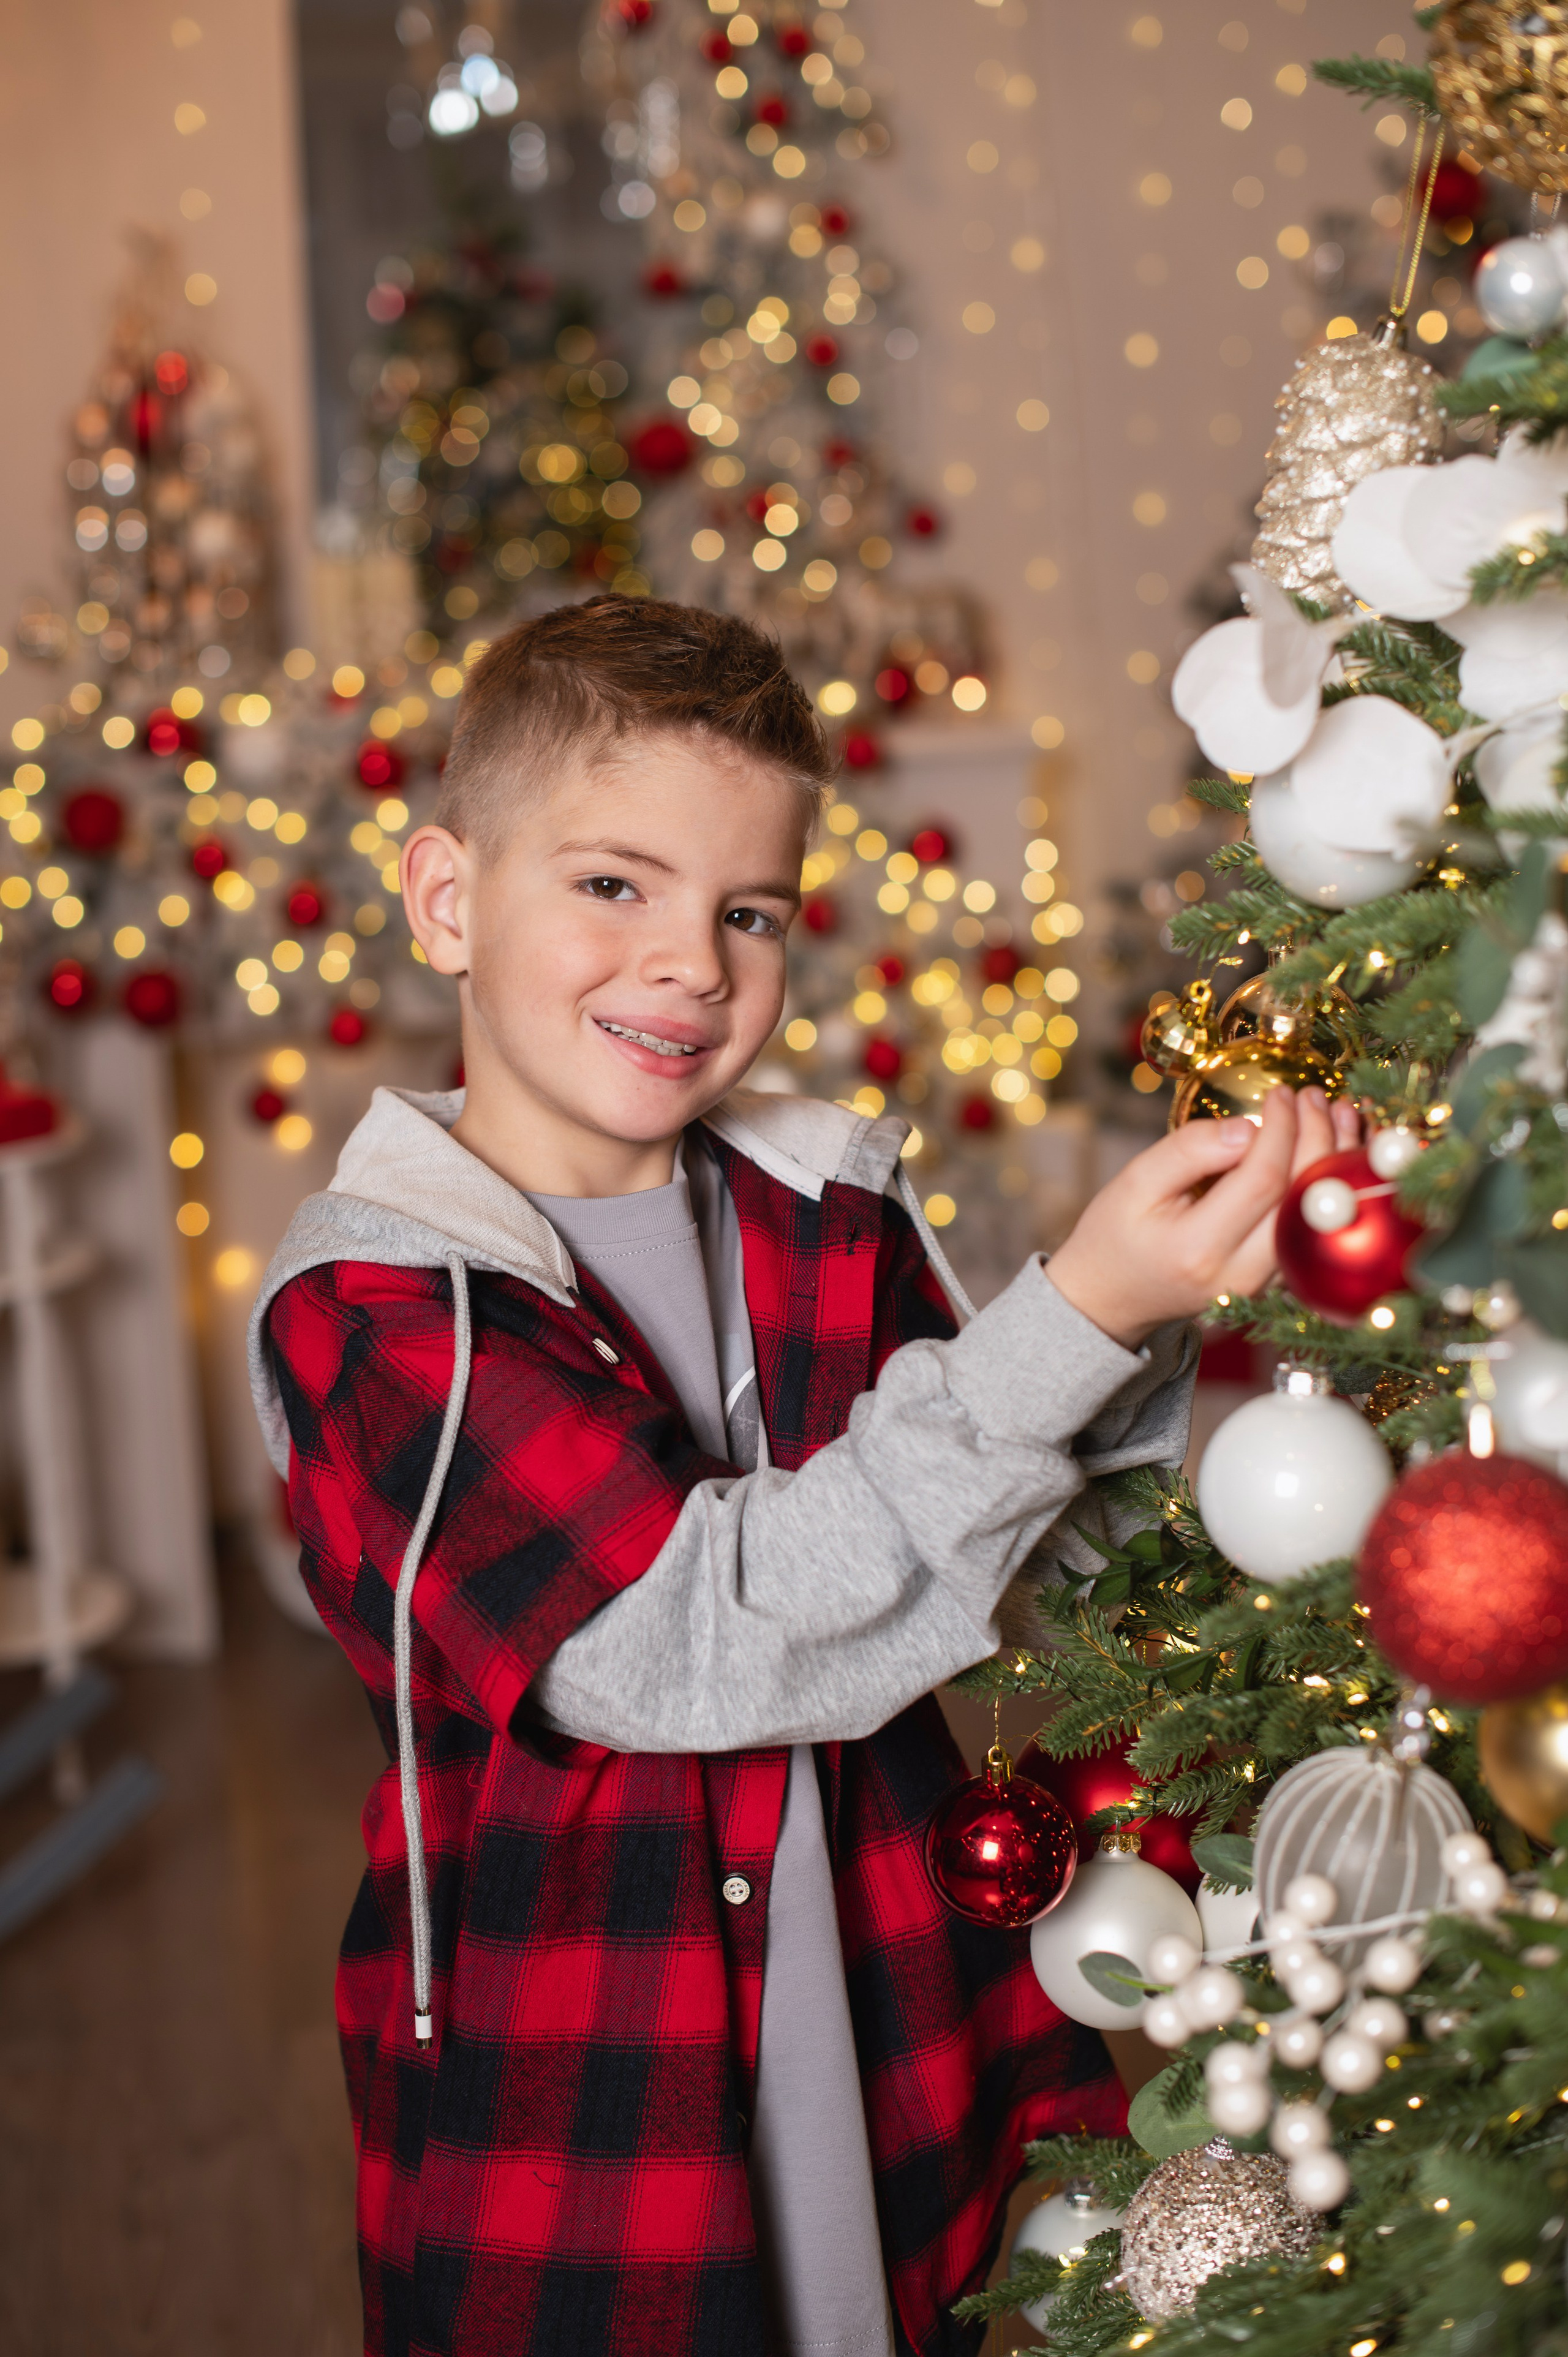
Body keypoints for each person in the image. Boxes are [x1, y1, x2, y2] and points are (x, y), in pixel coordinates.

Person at [249, 594, 1352, 2357]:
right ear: (448, 898)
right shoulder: (383, 1320)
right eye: (614, 884)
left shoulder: (819, 1215)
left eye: (747, 911)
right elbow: (684, 1637)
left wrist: (1163, 1310)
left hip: (887, 2019)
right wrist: (1073, 1308)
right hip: (593, 2108)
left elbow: (1004, 1561)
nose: (692, 960)